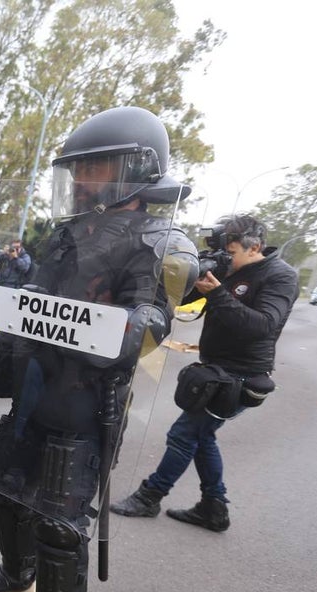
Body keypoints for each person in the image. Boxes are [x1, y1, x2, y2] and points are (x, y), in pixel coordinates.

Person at [0, 106, 199, 592]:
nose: (85, 180)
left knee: (61, 523)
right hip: (33, 388)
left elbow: (153, 318)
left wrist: (116, 329)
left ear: (134, 170)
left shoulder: (163, 241)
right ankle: (18, 575)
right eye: (80, 169)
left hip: (86, 402)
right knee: (1, 487)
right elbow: (32, 298)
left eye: (96, 167)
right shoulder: (66, 233)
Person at [110, 214, 298, 531]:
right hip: (216, 368)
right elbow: (182, 299)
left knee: (184, 435)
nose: (226, 258)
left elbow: (263, 325)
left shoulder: (280, 276)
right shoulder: (228, 269)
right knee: (201, 436)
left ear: (255, 247)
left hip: (240, 376)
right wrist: (185, 276)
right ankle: (214, 506)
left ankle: (150, 496)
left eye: (231, 252)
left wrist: (218, 293)